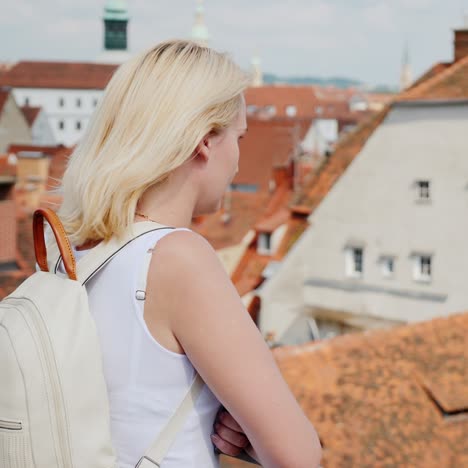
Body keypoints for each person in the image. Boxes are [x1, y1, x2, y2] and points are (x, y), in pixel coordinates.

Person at [57, 40, 322, 468]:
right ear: (204, 142)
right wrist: (253, 437)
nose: (237, 160)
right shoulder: (177, 257)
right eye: (238, 137)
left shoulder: (68, 250)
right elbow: (299, 458)